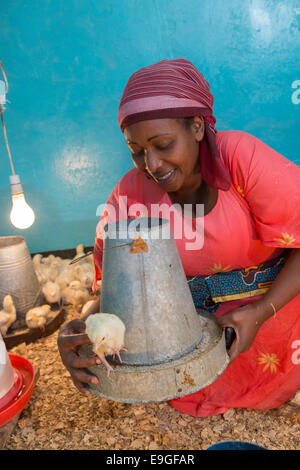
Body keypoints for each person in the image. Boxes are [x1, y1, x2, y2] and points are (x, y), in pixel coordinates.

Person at [58, 58, 300, 417]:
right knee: (190, 394)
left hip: (276, 323)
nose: (151, 163)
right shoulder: (129, 198)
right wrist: (85, 329)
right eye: (137, 150)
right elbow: (112, 293)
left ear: (198, 127)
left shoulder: (240, 160)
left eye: (163, 144)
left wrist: (261, 312)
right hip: (190, 345)